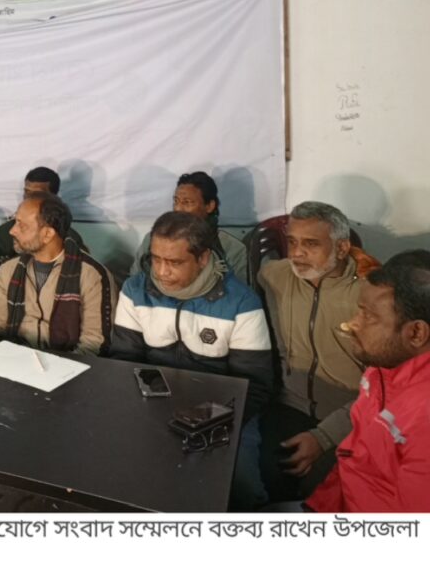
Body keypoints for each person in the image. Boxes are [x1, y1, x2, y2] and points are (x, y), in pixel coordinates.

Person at [110, 211, 273, 510]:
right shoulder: (135, 291)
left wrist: (202, 424)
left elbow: (255, 387)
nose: (161, 272)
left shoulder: (241, 303)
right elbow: (124, 361)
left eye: (174, 262)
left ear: (202, 258)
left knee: (241, 486)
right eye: (156, 259)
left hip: (225, 414)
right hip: (152, 406)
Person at [257, 201, 380, 501]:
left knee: (323, 491)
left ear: (342, 248)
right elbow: (259, 269)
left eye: (311, 244)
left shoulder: (369, 296)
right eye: (292, 242)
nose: (297, 253)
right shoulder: (276, 276)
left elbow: (384, 387)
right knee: (267, 479)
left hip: (351, 414)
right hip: (289, 405)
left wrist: (324, 437)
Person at [306, 250, 430, 512]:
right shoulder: (382, 369)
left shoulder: (423, 419)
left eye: (368, 316)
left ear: (416, 332)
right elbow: (357, 460)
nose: (352, 324)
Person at [0, 192, 117, 355]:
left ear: (47, 234)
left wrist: (57, 367)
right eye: (15, 221)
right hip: (12, 359)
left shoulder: (92, 275)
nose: (12, 231)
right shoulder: (9, 269)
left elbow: (94, 343)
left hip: (68, 364)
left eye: (21, 225)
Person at [131, 171, 249, 284]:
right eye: (176, 201)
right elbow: (134, 283)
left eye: (187, 202)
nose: (178, 209)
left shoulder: (231, 249)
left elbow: (240, 294)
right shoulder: (153, 240)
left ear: (209, 206)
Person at [0, 167, 87, 263]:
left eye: (37, 194)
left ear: (53, 197)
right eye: (27, 192)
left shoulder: (70, 240)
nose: (30, 198)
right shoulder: (6, 232)